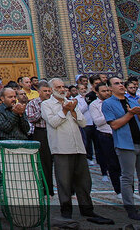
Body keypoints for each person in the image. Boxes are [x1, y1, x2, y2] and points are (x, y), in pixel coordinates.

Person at [42, 78, 111, 224]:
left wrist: (72, 110)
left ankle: (87, 209)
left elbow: (83, 122)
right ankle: (66, 210)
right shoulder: (46, 104)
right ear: (52, 89)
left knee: (84, 181)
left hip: (78, 147)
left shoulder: (71, 102)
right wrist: (64, 110)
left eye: (63, 87)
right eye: (58, 87)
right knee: (64, 181)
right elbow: (53, 122)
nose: (62, 89)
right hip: (61, 148)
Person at [103, 77, 140, 221]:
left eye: (121, 83)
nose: (121, 85)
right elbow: (114, 125)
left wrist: (137, 113)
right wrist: (130, 114)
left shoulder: (132, 101)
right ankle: (130, 208)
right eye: (116, 83)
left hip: (138, 141)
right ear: (110, 88)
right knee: (127, 177)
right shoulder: (108, 104)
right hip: (125, 144)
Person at [89, 81, 121, 195]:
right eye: (103, 91)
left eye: (108, 90)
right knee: (112, 164)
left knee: (124, 163)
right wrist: (109, 113)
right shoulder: (94, 105)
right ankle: (118, 190)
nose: (107, 93)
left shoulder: (116, 102)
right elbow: (97, 122)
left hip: (119, 135)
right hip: (105, 136)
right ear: (97, 93)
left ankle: (128, 189)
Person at [24, 80, 55, 194]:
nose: (47, 93)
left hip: (54, 131)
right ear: (39, 92)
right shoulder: (33, 103)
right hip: (41, 132)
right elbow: (31, 118)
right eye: (45, 91)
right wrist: (43, 110)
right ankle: (46, 189)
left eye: (49, 91)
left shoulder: (54, 102)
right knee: (44, 161)